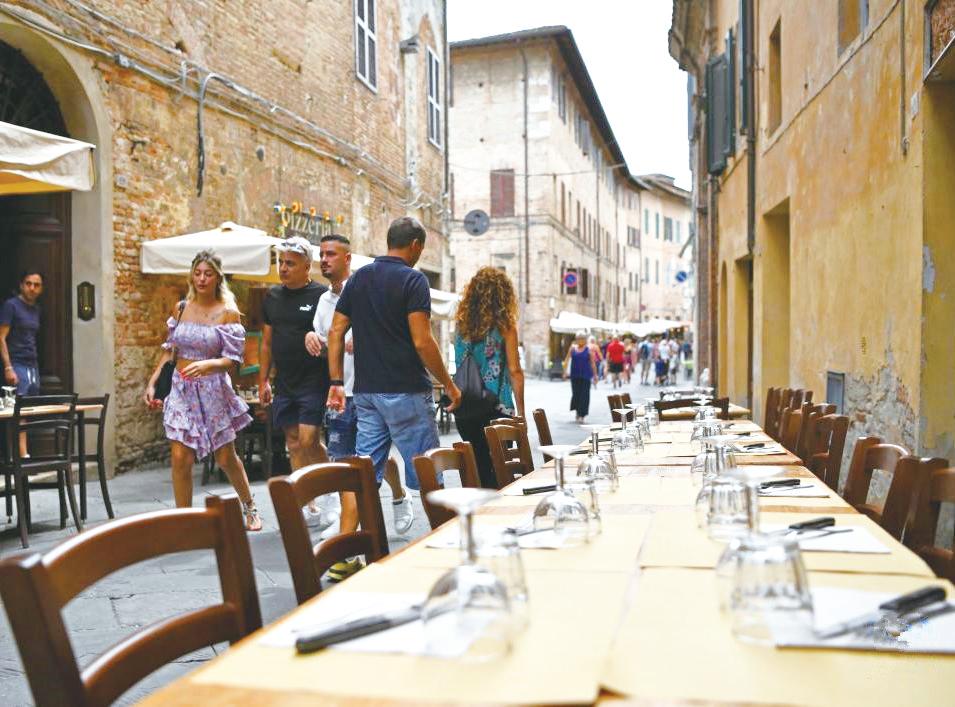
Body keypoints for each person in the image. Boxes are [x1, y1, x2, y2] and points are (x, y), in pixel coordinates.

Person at [326, 216, 461, 535]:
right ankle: (443, 541)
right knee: (428, 473)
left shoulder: (359, 278)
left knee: (363, 476)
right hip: (406, 390)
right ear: (415, 245)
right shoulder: (414, 281)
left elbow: (335, 331)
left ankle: (349, 548)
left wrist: (335, 382)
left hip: (366, 393)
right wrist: (450, 385)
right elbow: (422, 340)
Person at [144, 251, 261, 530]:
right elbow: (170, 349)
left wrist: (209, 365)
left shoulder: (228, 312)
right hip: (181, 389)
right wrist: (153, 381)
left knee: (225, 457)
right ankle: (185, 522)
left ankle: (250, 507)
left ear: (217, 277)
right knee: (180, 457)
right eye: (197, 273)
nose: (202, 279)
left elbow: (233, 359)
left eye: (208, 274)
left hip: (213, 390)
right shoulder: (181, 308)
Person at [258, 236, 329, 524]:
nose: (283, 268)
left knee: (309, 439)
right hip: (285, 382)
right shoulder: (272, 297)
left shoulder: (321, 296)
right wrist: (263, 380)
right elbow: (266, 343)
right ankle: (306, 501)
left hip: (314, 379)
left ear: (307, 266)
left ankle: (331, 491)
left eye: (290, 263)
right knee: (293, 442)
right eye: (281, 262)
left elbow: (332, 334)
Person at [453, 267, 525, 489]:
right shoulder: (506, 327)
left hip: (466, 406)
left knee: (477, 469)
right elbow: (514, 370)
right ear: (504, 295)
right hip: (498, 408)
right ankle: (494, 508)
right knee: (499, 472)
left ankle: (478, 508)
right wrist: (521, 412)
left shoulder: (461, 325)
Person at [0, 270, 43, 457]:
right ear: (21, 285)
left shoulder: (36, 309)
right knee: (16, 409)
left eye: (36, 285)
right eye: (28, 283)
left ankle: (19, 455)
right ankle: (20, 456)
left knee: (28, 408)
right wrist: (8, 367)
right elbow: (1, 337)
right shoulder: (11, 306)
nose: (32, 288)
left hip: (32, 364)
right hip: (15, 363)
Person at [564, 331, 597, 423]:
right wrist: (565, 372)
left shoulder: (589, 350)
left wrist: (595, 375)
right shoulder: (572, 349)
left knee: (584, 395)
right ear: (576, 339)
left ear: (585, 340)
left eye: (582, 338)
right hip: (575, 376)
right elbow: (567, 360)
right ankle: (578, 412)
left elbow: (593, 363)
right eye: (578, 338)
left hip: (586, 376)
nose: (580, 340)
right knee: (576, 395)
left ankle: (582, 415)